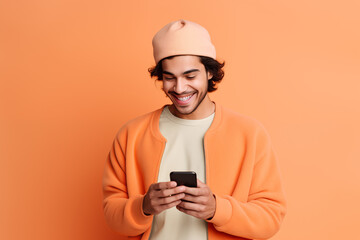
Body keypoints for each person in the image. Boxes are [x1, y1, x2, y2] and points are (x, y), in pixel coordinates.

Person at [102, 19, 286, 240]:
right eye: (170, 78)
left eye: (190, 76)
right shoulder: (131, 135)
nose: (179, 88)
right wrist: (143, 206)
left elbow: (271, 217)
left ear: (209, 72)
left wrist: (217, 209)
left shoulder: (250, 134)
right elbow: (112, 213)